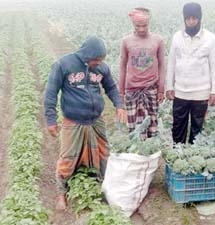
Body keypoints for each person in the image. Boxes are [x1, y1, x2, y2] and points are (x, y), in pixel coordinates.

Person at [44, 36, 126, 211]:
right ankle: (61, 193)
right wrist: (51, 120)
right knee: (68, 157)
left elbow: (111, 87)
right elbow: (51, 93)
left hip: (96, 120)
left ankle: (105, 186)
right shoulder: (64, 65)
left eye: (101, 60)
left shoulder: (101, 68)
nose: (99, 63)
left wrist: (119, 105)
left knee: (104, 153)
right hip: (73, 120)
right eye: (96, 59)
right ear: (86, 55)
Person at [166, 2, 215, 144]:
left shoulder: (210, 38)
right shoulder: (177, 37)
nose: (191, 22)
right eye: (188, 18)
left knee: (197, 130)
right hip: (180, 91)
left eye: (194, 18)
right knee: (178, 127)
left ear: (199, 19)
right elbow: (171, 62)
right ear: (184, 19)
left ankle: (193, 158)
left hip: (201, 92)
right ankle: (177, 156)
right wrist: (169, 87)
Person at [119, 7, 165, 138]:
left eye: (144, 25)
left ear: (149, 23)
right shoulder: (126, 41)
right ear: (133, 24)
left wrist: (161, 89)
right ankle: (137, 155)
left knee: (152, 125)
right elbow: (122, 66)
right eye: (137, 26)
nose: (141, 29)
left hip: (151, 90)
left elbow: (162, 65)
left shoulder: (158, 40)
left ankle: (150, 154)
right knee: (134, 129)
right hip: (132, 90)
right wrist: (121, 92)